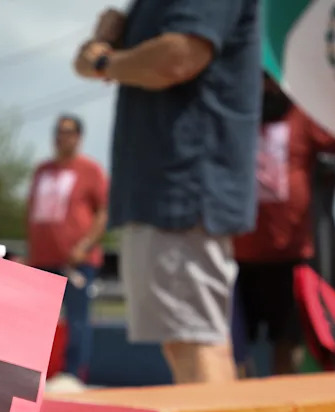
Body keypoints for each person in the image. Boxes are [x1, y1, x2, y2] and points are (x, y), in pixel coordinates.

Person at [72, 2, 261, 384]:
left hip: (183, 189)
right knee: (183, 339)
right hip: (163, 190)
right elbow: (83, 61)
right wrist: (105, 50)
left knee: (195, 339)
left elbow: (177, 58)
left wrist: (106, 61)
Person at [233, 74, 335, 375]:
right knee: (235, 347)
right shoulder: (238, 116)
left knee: (287, 344)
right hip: (240, 255)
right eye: (262, 79)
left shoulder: (302, 116)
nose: (268, 86)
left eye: (274, 79)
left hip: (290, 256)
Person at [26, 114, 109, 384]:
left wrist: (85, 245)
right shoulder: (43, 170)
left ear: (79, 137)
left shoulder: (90, 170)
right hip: (41, 260)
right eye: (59, 131)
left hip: (77, 262)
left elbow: (104, 212)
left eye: (69, 132)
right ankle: (33, 375)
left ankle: (73, 376)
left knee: (78, 321)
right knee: (36, 322)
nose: (62, 137)